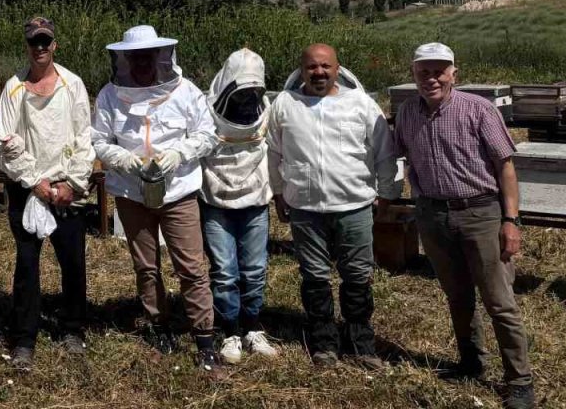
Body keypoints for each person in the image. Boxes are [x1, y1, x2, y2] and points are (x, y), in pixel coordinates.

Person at [395, 43, 534, 409]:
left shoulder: (479, 109)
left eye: (439, 71)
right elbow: (397, 156)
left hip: (481, 214)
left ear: (454, 74)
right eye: (424, 72)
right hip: (432, 215)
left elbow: (505, 167)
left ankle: (519, 381)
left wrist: (510, 220)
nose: (432, 79)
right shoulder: (407, 112)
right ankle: (471, 362)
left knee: (499, 302)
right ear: (414, 75)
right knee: (457, 296)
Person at [90, 26, 221, 372]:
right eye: (135, 57)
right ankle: (158, 325)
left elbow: (208, 136)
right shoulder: (109, 95)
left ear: (161, 56)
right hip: (131, 192)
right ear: (124, 59)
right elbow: (99, 140)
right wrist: (121, 159)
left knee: (191, 267)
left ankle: (204, 338)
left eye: (147, 56)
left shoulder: (186, 91)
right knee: (146, 266)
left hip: (178, 191)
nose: (142, 63)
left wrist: (180, 153)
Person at [267, 44, 398, 370]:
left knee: (357, 277)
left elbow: (384, 152)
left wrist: (387, 194)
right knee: (314, 277)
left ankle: (361, 343)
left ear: (338, 69)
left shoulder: (361, 104)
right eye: (312, 67)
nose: (319, 72)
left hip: (354, 206)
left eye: (325, 66)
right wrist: (278, 193)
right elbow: (273, 153)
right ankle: (324, 342)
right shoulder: (284, 104)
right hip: (305, 209)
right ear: (301, 70)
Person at [0, 17, 95, 369]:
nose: (40, 48)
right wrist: (34, 181)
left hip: (67, 189)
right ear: (27, 46)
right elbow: (4, 142)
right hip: (28, 190)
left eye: (45, 41)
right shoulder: (13, 88)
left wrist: (72, 184)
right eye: (34, 42)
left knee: (73, 262)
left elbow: (84, 138)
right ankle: (24, 338)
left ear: (54, 45)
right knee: (27, 265)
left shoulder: (72, 84)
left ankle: (73, 329)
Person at [199, 48, 280, 364]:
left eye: (252, 93)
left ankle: (252, 327)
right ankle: (230, 330)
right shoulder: (205, 111)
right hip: (215, 200)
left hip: (255, 199)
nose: (247, 100)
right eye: (241, 93)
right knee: (224, 271)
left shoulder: (267, 111)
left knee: (255, 268)